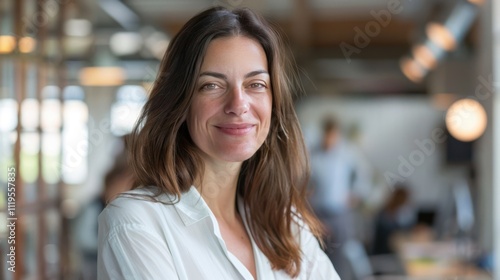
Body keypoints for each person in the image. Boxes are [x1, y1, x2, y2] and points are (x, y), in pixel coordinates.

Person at [97, 6, 339, 280]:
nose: (238, 105)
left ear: (275, 102)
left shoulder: (285, 225)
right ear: (181, 102)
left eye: (256, 84)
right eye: (211, 85)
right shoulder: (137, 222)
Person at [308, 117, 370, 279]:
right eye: (327, 135)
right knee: (317, 255)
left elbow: (363, 176)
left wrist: (355, 195)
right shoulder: (314, 156)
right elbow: (306, 185)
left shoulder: (347, 154)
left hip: (341, 213)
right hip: (319, 213)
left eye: (333, 135)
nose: (329, 139)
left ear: (338, 135)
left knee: (341, 257)